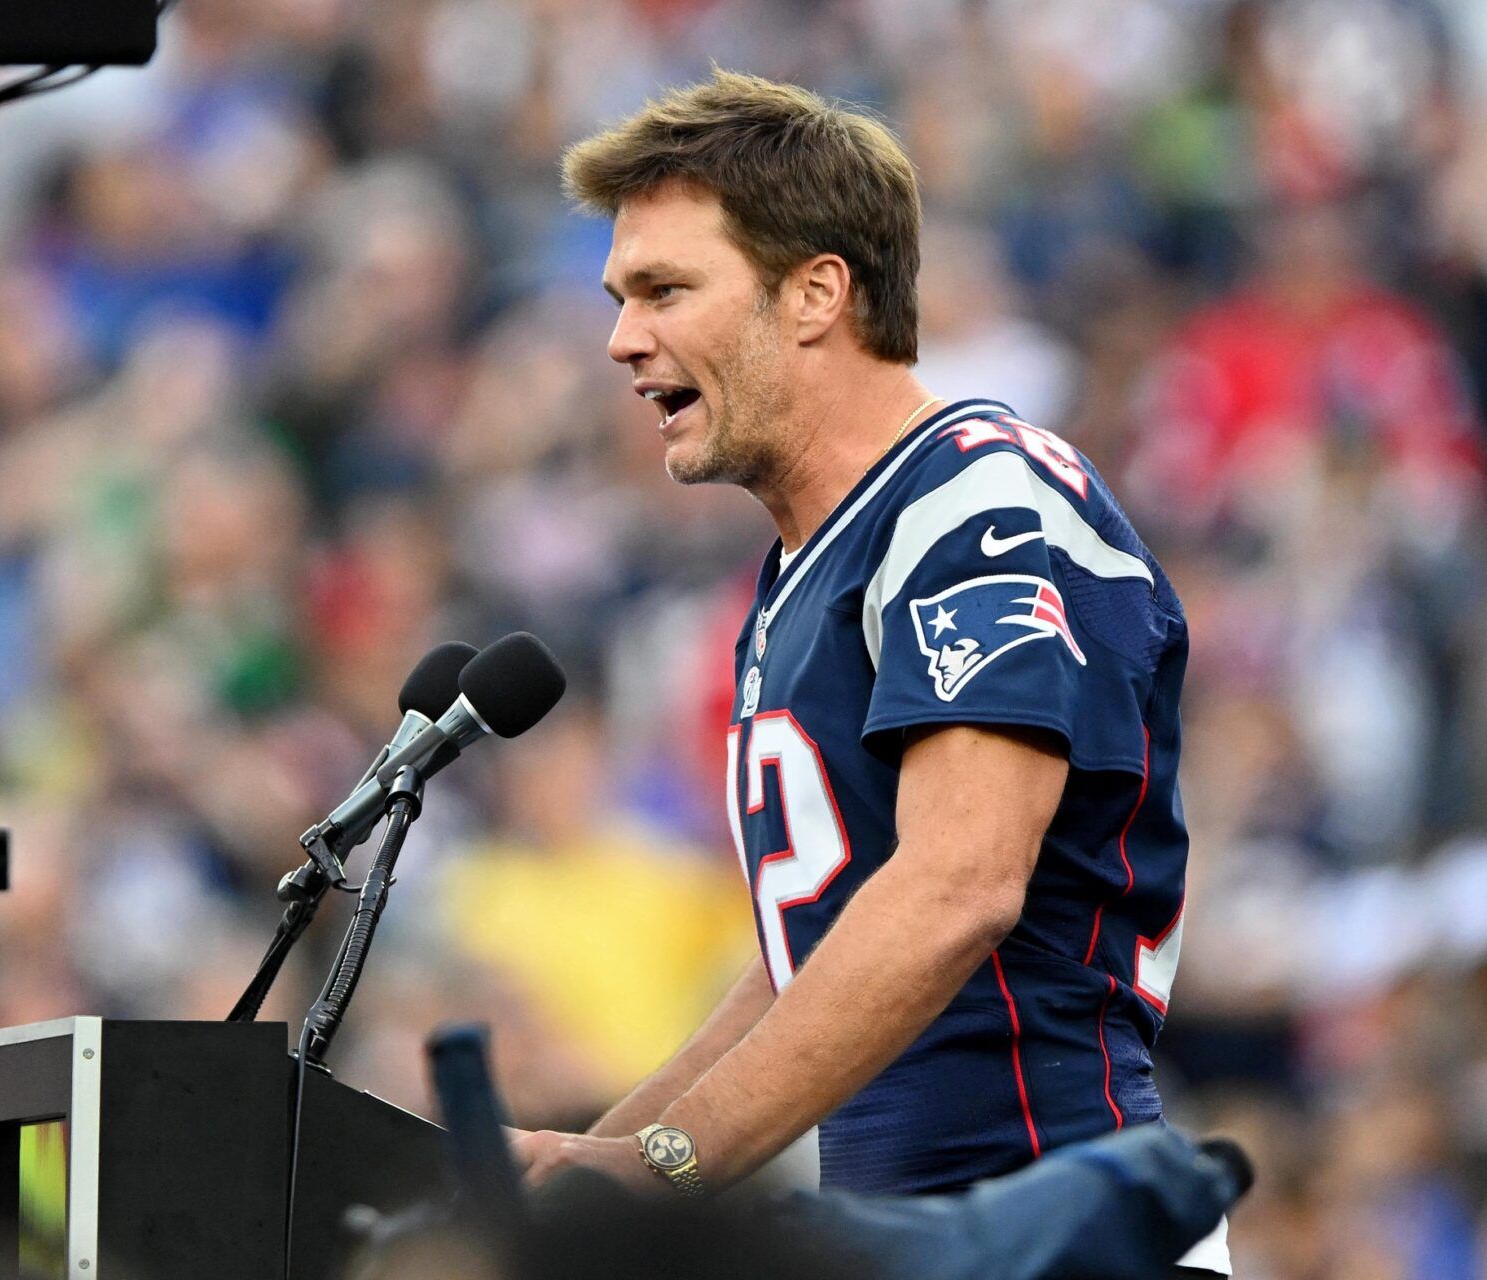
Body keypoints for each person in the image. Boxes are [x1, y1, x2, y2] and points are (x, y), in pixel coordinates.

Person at [508, 71, 1228, 1276]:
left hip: (1050, 1211)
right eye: (621, 295)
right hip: (919, 1227)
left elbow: (958, 886)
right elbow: (814, 955)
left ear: (816, 293)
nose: (623, 336)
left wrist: (668, 1163)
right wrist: (596, 1164)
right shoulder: (814, 558)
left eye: (666, 288)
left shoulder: (977, 503)